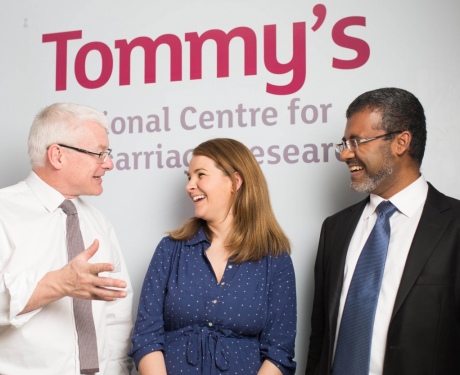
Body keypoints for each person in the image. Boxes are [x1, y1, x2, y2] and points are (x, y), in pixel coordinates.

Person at [305, 87, 460, 375]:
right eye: (344, 143)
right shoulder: (335, 229)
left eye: (356, 141)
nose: (344, 155)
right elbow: (320, 340)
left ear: (401, 142)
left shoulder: (455, 225)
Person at [129, 138, 297, 375]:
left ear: (235, 182)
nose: (190, 185)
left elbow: (279, 352)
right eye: (189, 177)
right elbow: (146, 336)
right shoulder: (170, 249)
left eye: (201, 175)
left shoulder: (275, 259)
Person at [0, 103, 134, 374]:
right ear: (57, 155)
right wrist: (56, 284)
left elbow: (117, 316)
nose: (108, 163)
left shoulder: (100, 224)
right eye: (99, 153)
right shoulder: (4, 211)